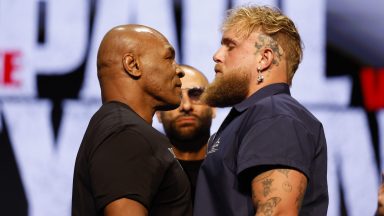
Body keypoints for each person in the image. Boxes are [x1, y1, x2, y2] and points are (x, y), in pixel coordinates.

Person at [193, 5, 328, 216]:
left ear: (264, 59)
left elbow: (278, 212)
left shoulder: (275, 116)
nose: (217, 56)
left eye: (230, 46)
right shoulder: (253, 116)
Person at [71, 24, 192, 216]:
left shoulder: (118, 128)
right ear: (133, 65)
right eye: (169, 58)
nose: (180, 70)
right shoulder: (126, 134)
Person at [157, 65, 215, 203]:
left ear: (213, 107)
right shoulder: (145, 174)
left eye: (195, 95)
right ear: (158, 113)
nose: (186, 106)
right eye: (175, 96)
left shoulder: (234, 170)